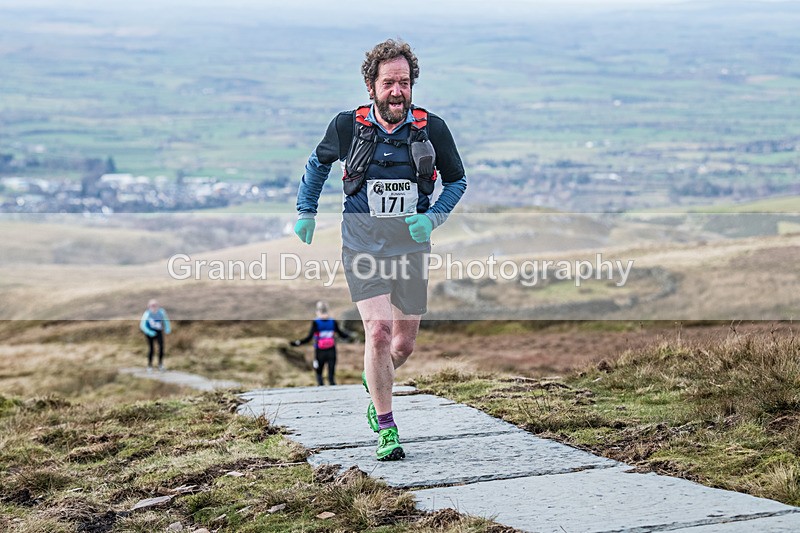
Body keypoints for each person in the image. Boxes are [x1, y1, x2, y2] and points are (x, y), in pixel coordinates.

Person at [293, 39, 467, 461]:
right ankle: (387, 428)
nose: (397, 91)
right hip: (362, 245)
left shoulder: (432, 129)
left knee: (402, 346)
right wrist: (306, 211)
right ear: (370, 86)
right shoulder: (347, 127)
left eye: (404, 83)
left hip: (411, 249)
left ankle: (376, 380)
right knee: (379, 331)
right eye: (388, 83)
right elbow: (318, 165)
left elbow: (457, 181)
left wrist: (433, 218)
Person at [291, 301, 352, 386]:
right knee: (331, 376)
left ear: (318, 311)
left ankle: (321, 387)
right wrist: (351, 336)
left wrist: (297, 343)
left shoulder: (316, 322)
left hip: (320, 351)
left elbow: (309, 338)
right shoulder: (333, 322)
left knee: (319, 373)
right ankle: (333, 388)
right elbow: (341, 334)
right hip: (331, 350)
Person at [139, 299, 171, 373]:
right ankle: (149, 366)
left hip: (158, 331)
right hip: (149, 332)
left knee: (161, 347)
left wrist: (167, 328)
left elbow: (166, 320)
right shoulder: (147, 313)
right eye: (152, 305)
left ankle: (160, 365)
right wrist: (149, 332)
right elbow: (142, 325)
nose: (154, 307)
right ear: (149, 306)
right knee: (151, 349)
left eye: (155, 305)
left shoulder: (161, 312)